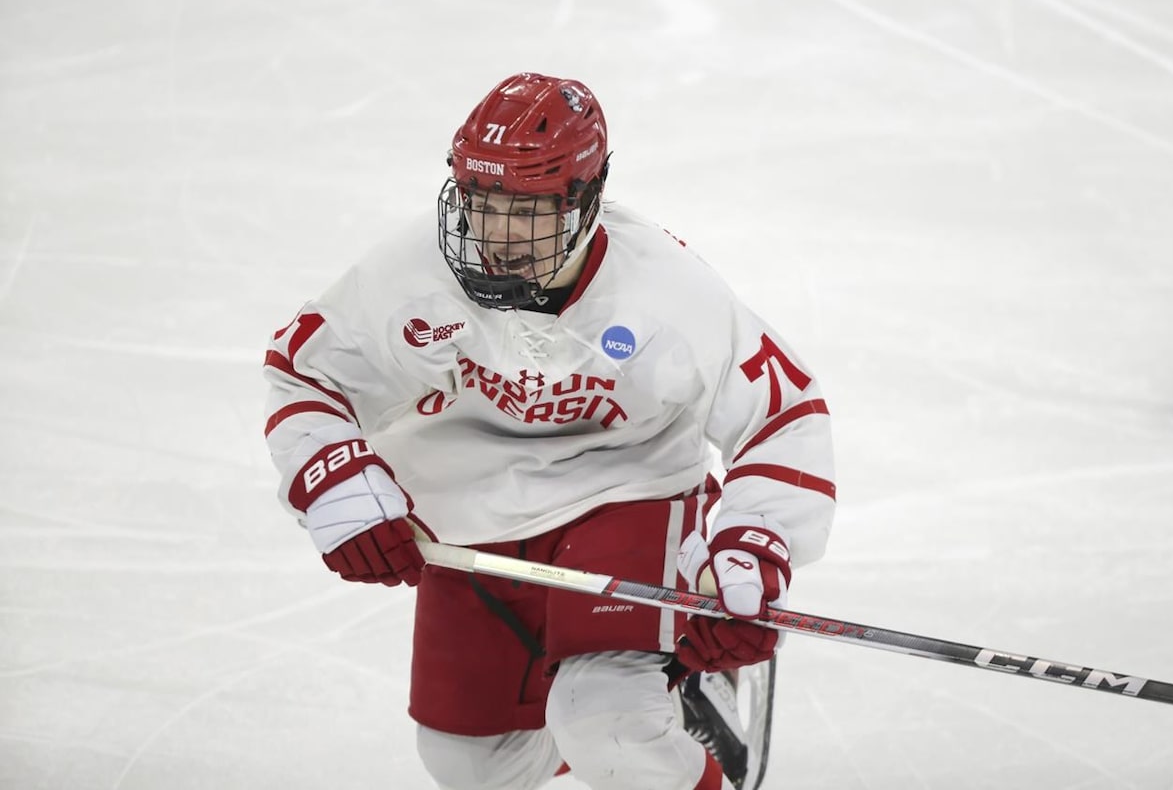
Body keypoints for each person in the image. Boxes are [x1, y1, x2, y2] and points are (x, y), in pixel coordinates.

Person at [262, 72, 836, 790]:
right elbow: (304, 369)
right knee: (471, 765)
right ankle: (663, 690)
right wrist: (332, 476)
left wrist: (756, 535)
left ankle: (653, 697)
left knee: (608, 726)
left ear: (586, 200)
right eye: (481, 204)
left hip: (625, 490)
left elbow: (782, 411)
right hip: (465, 516)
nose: (498, 237)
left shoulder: (664, 288)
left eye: (526, 209)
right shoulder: (410, 271)